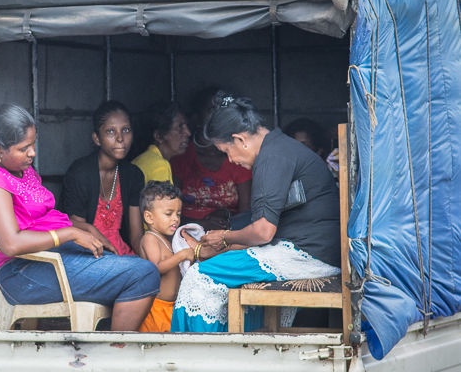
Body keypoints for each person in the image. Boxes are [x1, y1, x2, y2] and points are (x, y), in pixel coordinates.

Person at [0, 104, 159, 331]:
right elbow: (11, 244)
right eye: (24, 148)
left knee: (136, 266)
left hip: (49, 259)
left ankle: (104, 347)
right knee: (143, 274)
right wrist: (71, 233)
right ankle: (114, 353)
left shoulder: (16, 167)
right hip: (24, 272)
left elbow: (41, 219)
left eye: (33, 144)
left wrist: (84, 230)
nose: (32, 152)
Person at [170, 94, 342, 334]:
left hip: (308, 254)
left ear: (240, 139)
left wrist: (224, 238)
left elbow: (262, 232)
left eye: (227, 152)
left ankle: (197, 358)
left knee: (199, 278)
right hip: (314, 249)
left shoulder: (271, 157)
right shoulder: (279, 148)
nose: (230, 160)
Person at [61, 100, 144, 256]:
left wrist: (152, 262)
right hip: (87, 252)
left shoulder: (133, 175)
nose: (120, 138)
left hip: (121, 253)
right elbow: (77, 228)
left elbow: (136, 235)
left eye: (126, 130)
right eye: (110, 132)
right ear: (97, 138)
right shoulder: (80, 173)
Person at [171, 89, 251, 231]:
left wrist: (225, 219)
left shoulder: (238, 157)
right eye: (211, 109)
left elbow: (246, 214)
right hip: (185, 232)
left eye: (222, 109)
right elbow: (168, 212)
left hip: (228, 233)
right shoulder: (181, 155)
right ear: (197, 118)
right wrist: (201, 224)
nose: (217, 114)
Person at [136, 182, 197, 333]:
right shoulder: (150, 238)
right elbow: (156, 267)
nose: (175, 219)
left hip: (171, 307)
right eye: (169, 214)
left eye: (178, 214)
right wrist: (182, 255)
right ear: (149, 217)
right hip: (156, 308)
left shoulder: (170, 241)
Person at [131, 102, 191, 184]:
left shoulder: (142, 159)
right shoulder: (160, 165)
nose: (188, 132)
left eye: (186, 126)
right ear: (158, 136)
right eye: (180, 127)